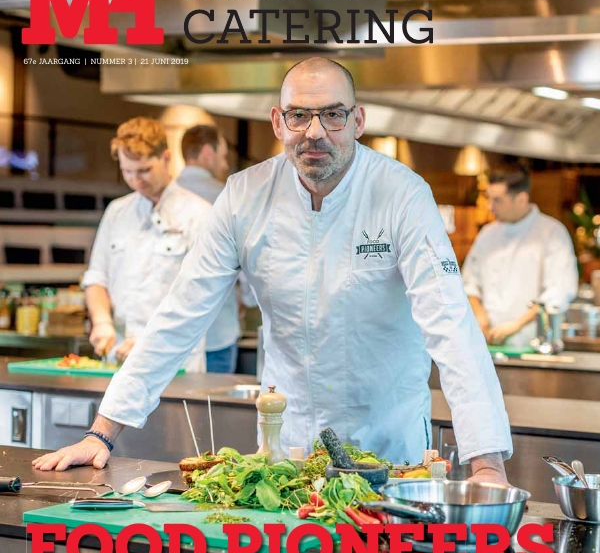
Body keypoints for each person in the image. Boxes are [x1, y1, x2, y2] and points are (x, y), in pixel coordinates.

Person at [34, 57, 512, 485]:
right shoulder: (245, 195)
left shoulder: (402, 194)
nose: (315, 131)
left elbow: (450, 325)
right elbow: (181, 312)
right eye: (299, 115)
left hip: (387, 440)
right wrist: (103, 432)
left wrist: (487, 466)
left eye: (333, 114)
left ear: (358, 121)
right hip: (288, 443)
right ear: (278, 122)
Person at [82, 117, 211, 371]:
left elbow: (199, 296)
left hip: (175, 361)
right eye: (127, 172)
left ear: (166, 158)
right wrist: (102, 322)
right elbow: (97, 278)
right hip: (118, 358)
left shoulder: (199, 214)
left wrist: (150, 343)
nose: (136, 180)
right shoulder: (116, 212)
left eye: (144, 171)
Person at [462, 163, 578, 347]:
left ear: (521, 199)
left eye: (497, 200)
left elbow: (558, 292)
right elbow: (469, 284)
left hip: (532, 344)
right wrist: (480, 316)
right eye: (489, 199)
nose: (490, 206)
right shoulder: (487, 234)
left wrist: (515, 325)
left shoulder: (552, 233)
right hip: (485, 345)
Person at [177, 125, 241, 373]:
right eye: (223, 157)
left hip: (172, 334)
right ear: (207, 153)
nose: (224, 165)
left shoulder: (161, 198)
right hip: (217, 331)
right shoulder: (229, 196)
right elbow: (247, 259)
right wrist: (248, 298)